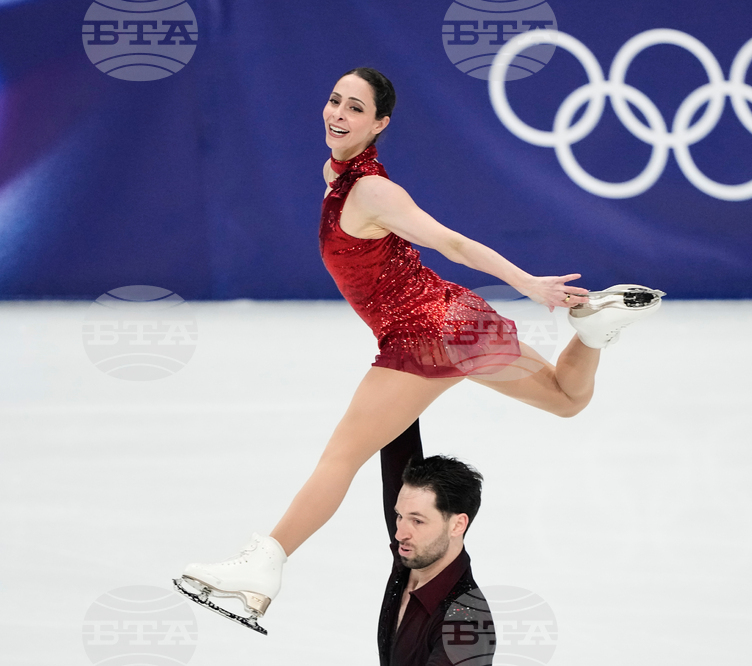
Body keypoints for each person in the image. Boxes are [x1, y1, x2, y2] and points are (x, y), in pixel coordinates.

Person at [175, 67, 663, 631]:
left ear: (379, 123)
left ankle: (264, 564)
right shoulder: (336, 173)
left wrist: (528, 284)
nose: (338, 113)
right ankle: (593, 331)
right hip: (452, 318)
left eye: (356, 108)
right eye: (335, 101)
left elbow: (451, 242)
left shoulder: (373, 191)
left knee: (341, 456)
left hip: (424, 335)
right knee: (566, 398)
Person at [377, 419, 494, 666]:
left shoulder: (466, 625)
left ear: (457, 525)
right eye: (399, 516)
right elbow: (397, 440)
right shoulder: (415, 550)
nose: (399, 534)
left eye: (417, 521)